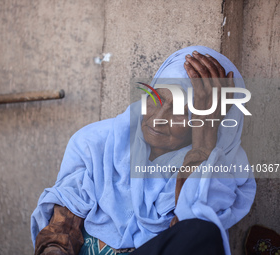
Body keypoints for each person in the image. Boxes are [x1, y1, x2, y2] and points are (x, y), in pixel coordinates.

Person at [31, 46, 256, 255]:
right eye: (154, 98)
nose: (157, 119)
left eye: (179, 111)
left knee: (202, 233)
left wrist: (204, 145)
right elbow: (60, 232)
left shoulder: (224, 168)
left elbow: (191, 232)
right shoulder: (97, 143)